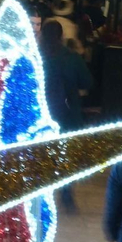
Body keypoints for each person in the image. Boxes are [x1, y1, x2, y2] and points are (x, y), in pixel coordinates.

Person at [38, 20, 87, 210]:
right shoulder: (71, 57)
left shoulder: (36, 55)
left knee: (42, 152)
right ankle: (66, 193)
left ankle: (42, 193)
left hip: (41, 112)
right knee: (65, 153)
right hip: (67, 112)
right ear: (61, 36)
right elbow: (87, 82)